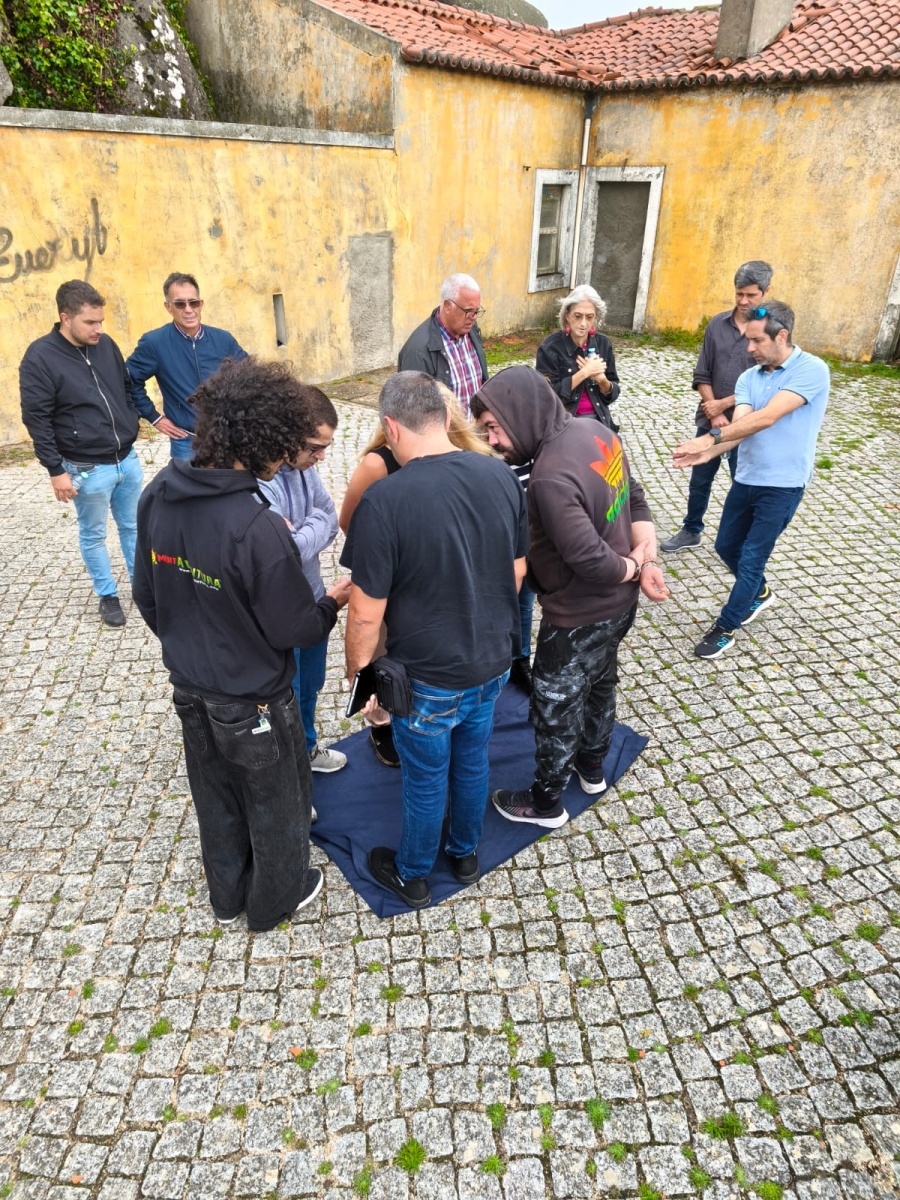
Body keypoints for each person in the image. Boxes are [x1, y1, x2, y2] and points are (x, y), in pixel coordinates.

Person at [132, 357, 351, 931]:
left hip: (190, 686)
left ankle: (226, 896)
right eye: (283, 446)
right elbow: (295, 630)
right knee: (278, 800)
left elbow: (148, 596)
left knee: (215, 797)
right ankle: (277, 898)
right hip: (255, 697)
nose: (284, 460)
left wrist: (194, 646)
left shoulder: (157, 495)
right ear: (263, 439)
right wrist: (333, 601)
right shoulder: (257, 526)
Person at [343, 372, 528, 908]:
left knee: (425, 778)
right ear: (445, 417)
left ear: (390, 427)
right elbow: (517, 572)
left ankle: (413, 874)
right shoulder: (500, 476)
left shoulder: (385, 501)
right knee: (472, 760)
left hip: (428, 676)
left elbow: (364, 615)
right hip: (491, 660)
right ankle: (466, 855)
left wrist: (361, 680)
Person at [471, 367, 669, 829]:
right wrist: (646, 559)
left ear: (521, 413)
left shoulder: (547, 477)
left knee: (554, 704)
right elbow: (634, 494)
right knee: (600, 682)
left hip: (577, 612)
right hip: (619, 608)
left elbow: (590, 560)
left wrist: (634, 566)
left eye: (494, 427)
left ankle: (546, 802)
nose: (492, 441)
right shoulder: (595, 430)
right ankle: (592, 766)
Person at [338, 401, 496, 767]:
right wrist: (389, 563)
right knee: (384, 647)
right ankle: (381, 721)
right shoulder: (379, 464)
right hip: (394, 583)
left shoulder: (465, 457)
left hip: (446, 584)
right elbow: (350, 523)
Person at [672, 301, 829, 660]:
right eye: (747, 339)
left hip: (783, 484)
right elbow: (742, 426)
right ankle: (759, 592)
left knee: (752, 558)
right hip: (746, 477)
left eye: (757, 340)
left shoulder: (812, 369)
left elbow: (768, 417)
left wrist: (708, 438)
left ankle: (726, 627)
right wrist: (708, 453)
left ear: (782, 336)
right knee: (726, 546)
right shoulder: (749, 378)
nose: (749, 348)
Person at [20, 279, 145, 628]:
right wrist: (55, 470)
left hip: (126, 458)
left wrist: (131, 418)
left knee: (133, 527)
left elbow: (125, 386)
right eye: (90, 322)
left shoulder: (106, 345)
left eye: (101, 321)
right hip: (86, 466)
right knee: (93, 533)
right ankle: (108, 595)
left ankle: (144, 588)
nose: (98, 329)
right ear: (66, 318)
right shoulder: (40, 357)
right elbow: (37, 418)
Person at [258, 387, 346, 774]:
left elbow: (330, 516)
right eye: (315, 447)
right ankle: (289, 774)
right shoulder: (260, 478)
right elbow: (285, 550)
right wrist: (313, 526)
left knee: (310, 685)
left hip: (313, 599)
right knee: (286, 696)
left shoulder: (305, 467)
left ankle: (306, 748)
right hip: (280, 614)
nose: (321, 457)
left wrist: (304, 528)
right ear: (286, 435)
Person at [661, 260, 773, 553]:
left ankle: (741, 539)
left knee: (743, 483)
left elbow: (768, 382)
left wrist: (726, 405)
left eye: (751, 295)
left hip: (746, 422)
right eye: (739, 293)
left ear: (765, 292)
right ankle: (691, 530)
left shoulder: (771, 331)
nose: (743, 301)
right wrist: (714, 409)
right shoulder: (716, 324)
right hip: (709, 417)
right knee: (700, 479)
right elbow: (702, 373)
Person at [126, 272, 247, 459]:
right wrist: (154, 417)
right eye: (180, 304)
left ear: (201, 304)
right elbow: (129, 379)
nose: (189, 309)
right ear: (168, 307)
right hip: (186, 442)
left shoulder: (223, 339)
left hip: (228, 437)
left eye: (193, 302)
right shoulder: (155, 343)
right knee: (188, 480)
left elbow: (249, 375)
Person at [397, 273, 488, 417]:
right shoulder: (417, 351)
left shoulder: (471, 331)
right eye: (468, 311)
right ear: (447, 306)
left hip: (475, 429)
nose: (474, 317)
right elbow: (414, 414)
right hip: (446, 432)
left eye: (477, 311)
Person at [535, 284, 620, 430]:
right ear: (567, 315)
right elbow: (546, 397)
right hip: (565, 423)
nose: (583, 324)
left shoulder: (603, 343)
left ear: (596, 318)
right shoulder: (550, 348)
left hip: (599, 420)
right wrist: (585, 373)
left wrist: (602, 380)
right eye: (577, 316)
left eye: (589, 317)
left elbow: (612, 394)